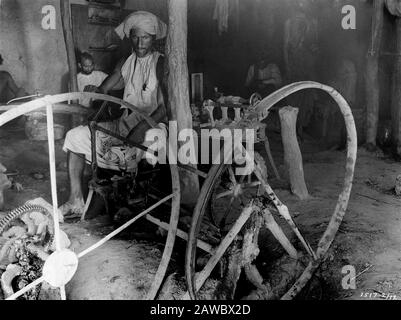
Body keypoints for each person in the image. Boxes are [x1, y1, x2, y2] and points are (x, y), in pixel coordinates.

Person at [59, 11, 168, 217]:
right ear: (130, 37)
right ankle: (76, 200)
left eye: (145, 37)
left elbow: (164, 108)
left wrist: (141, 128)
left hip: (153, 124)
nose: (139, 42)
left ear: (153, 38)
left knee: (153, 139)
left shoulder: (160, 63)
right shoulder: (126, 62)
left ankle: (139, 198)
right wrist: (96, 92)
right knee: (75, 136)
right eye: (135, 36)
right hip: (124, 123)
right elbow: (105, 89)